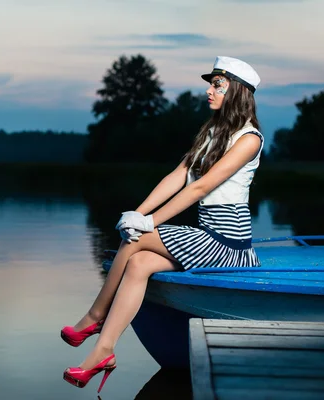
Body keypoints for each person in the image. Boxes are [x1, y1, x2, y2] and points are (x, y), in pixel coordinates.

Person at [61, 56, 264, 393]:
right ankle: (103, 353)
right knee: (139, 262)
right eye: (210, 83)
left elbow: (200, 187)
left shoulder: (249, 139)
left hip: (229, 243)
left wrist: (148, 223)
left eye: (217, 84)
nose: (208, 90)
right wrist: (137, 213)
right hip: (206, 235)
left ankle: (94, 319)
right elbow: (179, 176)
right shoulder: (212, 132)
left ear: (237, 91)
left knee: (138, 240)